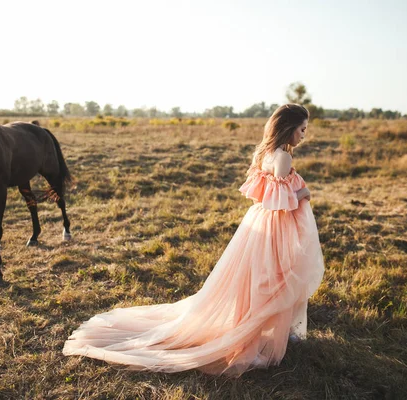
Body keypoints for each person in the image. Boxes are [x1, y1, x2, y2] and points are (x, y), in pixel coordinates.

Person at [63, 104, 325, 377]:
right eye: (302, 129)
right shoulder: (281, 157)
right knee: (279, 275)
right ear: (288, 128)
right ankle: (264, 332)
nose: (304, 135)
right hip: (276, 225)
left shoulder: (266, 154)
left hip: (260, 221)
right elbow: (280, 201)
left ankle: (267, 328)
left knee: (262, 277)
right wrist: (304, 191)